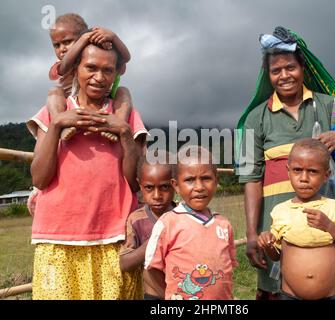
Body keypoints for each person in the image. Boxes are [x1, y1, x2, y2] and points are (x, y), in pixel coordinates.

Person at [236, 27, 335, 300]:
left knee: (332, 285)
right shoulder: (255, 119)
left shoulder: (332, 107)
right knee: (279, 289)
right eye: (275, 70)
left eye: (290, 67)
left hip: (328, 227)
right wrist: (251, 234)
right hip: (279, 231)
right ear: (267, 75)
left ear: (302, 67)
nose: (284, 76)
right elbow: (250, 178)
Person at [28, 42, 148, 299]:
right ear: (76, 69)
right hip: (58, 238)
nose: (99, 77)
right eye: (91, 67)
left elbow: (136, 182)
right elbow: (39, 177)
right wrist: (58, 125)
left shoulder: (125, 115)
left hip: (114, 238)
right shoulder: (55, 112)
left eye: (108, 70)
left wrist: (124, 133)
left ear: (116, 74)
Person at [258, 138, 335, 300]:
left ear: (326, 175)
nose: (304, 178)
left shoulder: (334, 208)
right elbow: (277, 256)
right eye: (297, 170)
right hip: (290, 296)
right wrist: (267, 244)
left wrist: (330, 227)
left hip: (329, 296)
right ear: (288, 171)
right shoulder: (281, 211)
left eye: (312, 171)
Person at [144, 146, 238, 300]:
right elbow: (151, 269)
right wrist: (170, 294)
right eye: (189, 180)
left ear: (216, 181)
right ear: (176, 185)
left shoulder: (223, 224)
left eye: (206, 178)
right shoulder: (168, 224)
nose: (199, 187)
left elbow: (227, 271)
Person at [27, 13, 133, 142]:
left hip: (105, 97)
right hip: (70, 103)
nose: (62, 49)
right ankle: (61, 123)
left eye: (67, 42)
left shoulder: (97, 56)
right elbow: (65, 66)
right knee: (54, 91)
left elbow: (126, 58)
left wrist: (113, 38)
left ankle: (118, 125)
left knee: (124, 91)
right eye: (56, 45)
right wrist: (83, 40)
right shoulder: (62, 64)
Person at [119, 151, 176, 300]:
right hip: (151, 295)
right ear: (140, 185)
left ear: (175, 184)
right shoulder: (136, 220)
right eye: (149, 188)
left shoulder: (184, 217)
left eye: (164, 187)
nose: (157, 195)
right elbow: (124, 263)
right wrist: (152, 243)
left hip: (186, 291)